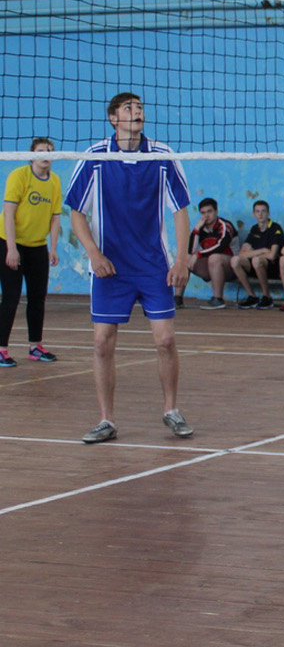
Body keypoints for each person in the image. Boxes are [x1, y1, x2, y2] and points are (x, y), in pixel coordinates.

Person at [66, 92, 193, 444]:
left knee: (166, 340)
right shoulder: (95, 158)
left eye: (139, 108)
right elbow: (76, 213)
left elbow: (180, 211)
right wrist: (94, 254)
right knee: (101, 343)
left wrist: (181, 258)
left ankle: (171, 410)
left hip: (154, 266)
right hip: (110, 269)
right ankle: (106, 420)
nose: (136, 112)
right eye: (128, 108)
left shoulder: (162, 156)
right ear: (113, 118)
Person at [1, 137, 63, 365]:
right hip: (9, 243)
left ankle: (35, 347)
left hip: (37, 246)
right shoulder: (19, 176)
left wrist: (53, 248)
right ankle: (1, 349)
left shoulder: (55, 181)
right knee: (11, 298)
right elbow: (8, 213)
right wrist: (11, 248)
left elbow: (55, 217)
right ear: (31, 155)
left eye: (49, 151)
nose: (45, 154)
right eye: (41, 150)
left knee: (38, 298)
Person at [176, 197, 237, 310]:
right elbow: (190, 250)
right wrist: (196, 229)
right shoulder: (202, 228)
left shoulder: (225, 225)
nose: (206, 216)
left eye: (209, 212)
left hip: (231, 267)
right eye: (203, 213)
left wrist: (198, 255)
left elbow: (221, 246)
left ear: (216, 211)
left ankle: (218, 299)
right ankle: (177, 298)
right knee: (185, 258)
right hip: (211, 267)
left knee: (214, 258)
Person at [233, 200, 284, 309]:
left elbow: (272, 255)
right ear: (254, 214)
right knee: (235, 260)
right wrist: (262, 250)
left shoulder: (275, 228)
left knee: (256, 260)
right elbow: (242, 254)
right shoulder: (254, 229)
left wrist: (252, 253)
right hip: (255, 265)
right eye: (257, 211)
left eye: (263, 211)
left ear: (268, 213)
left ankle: (267, 297)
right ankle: (252, 296)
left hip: (273, 268)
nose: (260, 214)